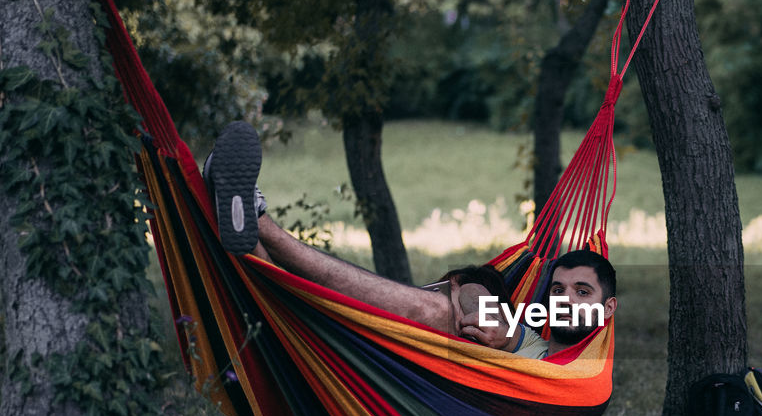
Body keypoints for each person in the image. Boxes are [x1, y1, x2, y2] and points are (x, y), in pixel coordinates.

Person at [202, 122, 616, 357]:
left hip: (434, 404)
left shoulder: (585, 381)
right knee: (459, 297)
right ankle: (248, 225)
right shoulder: (525, 334)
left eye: (582, 291)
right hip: (399, 369)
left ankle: (256, 222)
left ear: (607, 308)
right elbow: (487, 308)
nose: (564, 298)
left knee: (435, 308)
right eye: (558, 288)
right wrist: (468, 305)